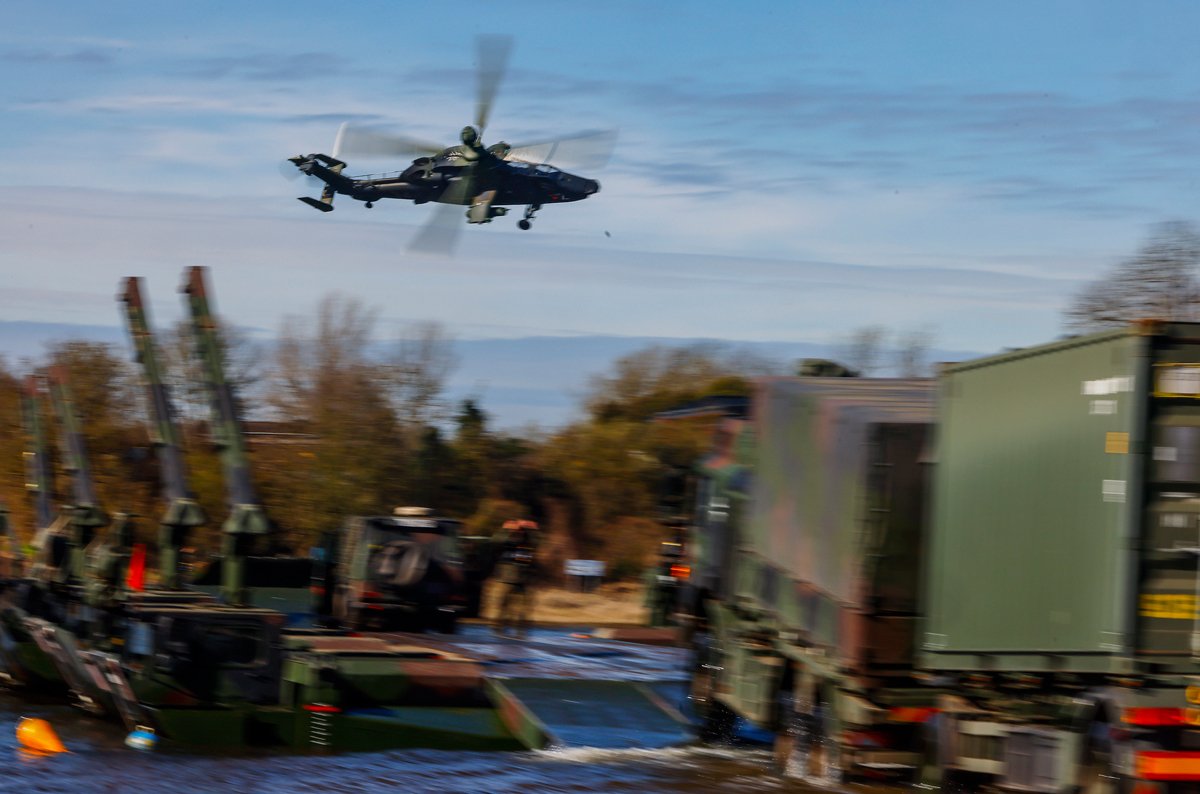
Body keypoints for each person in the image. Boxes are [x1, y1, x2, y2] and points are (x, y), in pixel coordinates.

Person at [491, 520, 539, 637]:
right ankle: (499, 626)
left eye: (521, 530)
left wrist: (531, 529)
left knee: (524, 607)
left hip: (525, 578)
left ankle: (521, 629)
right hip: (507, 578)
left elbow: (537, 542)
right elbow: (494, 541)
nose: (519, 531)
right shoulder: (507, 541)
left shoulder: (528, 541)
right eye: (518, 529)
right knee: (503, 604)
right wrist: (505, 529)